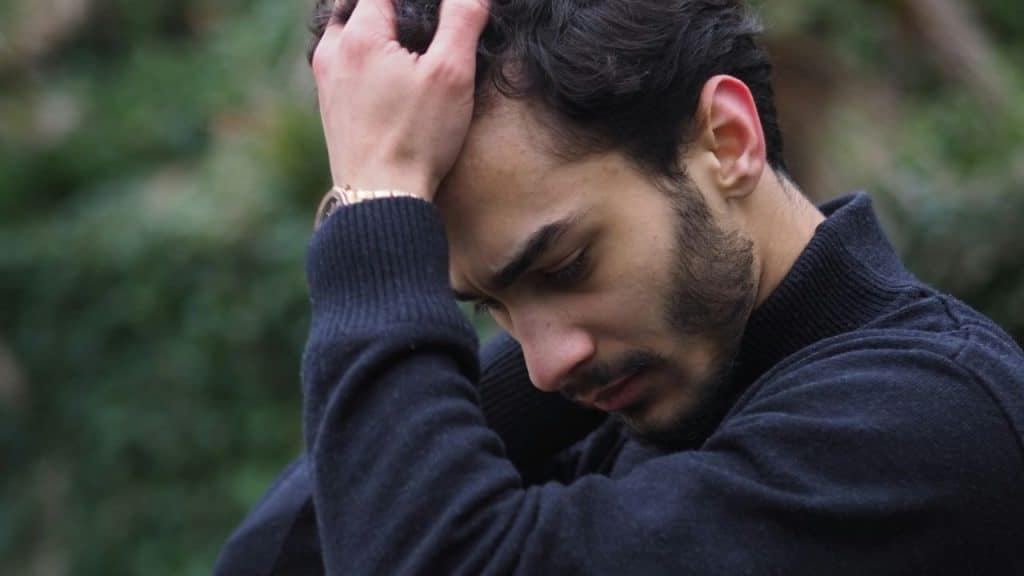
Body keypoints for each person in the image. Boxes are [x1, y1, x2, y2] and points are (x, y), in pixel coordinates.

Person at [215, 0, 1024, 573]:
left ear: (728, 140)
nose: (545, 364)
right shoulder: (635, 396)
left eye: (565, 265)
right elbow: (280, 558)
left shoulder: (924, 424)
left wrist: (377, 210)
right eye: (490, 306)